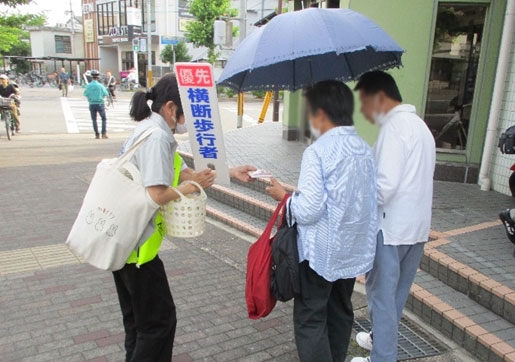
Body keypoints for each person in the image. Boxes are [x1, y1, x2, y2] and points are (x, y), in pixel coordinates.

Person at [115, 73, 256, 362]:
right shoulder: (156, 137)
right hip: (139, 251)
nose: (188, 121)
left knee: (140, 325)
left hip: (126, 245)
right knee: (159, 325)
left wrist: (228, 172)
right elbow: (156, 193)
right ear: (170, 108)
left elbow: (182, 172)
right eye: (187, 113)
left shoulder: (149, 130)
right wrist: (193, 188)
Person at [266, 80, 378, 362]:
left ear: (321, 113)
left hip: (322, 253)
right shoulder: (365, 149)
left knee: (311, 317)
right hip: (352, 251)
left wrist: (285, 197)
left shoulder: (318, 152)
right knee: (340, 311)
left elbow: (310, 210)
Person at [350, 71, 436, 362]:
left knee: (382, 299)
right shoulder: (421, 127)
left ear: (379, 98)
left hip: (390, 229)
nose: (363, 111)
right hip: (417, 228)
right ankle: (378, 341)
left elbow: (383, 187)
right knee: (396, 295)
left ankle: (382, 358)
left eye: (364, 102)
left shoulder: (393, 128)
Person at [83, 70, 109, 139]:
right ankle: (103, 133)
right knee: (103, 118)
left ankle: (97, 134)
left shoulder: (88, 86)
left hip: (92, 103)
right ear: (98, 77)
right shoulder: (100, 85)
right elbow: (106, 93)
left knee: (94, 119)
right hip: (100, 103)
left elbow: (85, 94)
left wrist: (90, 97)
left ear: (91, 77)